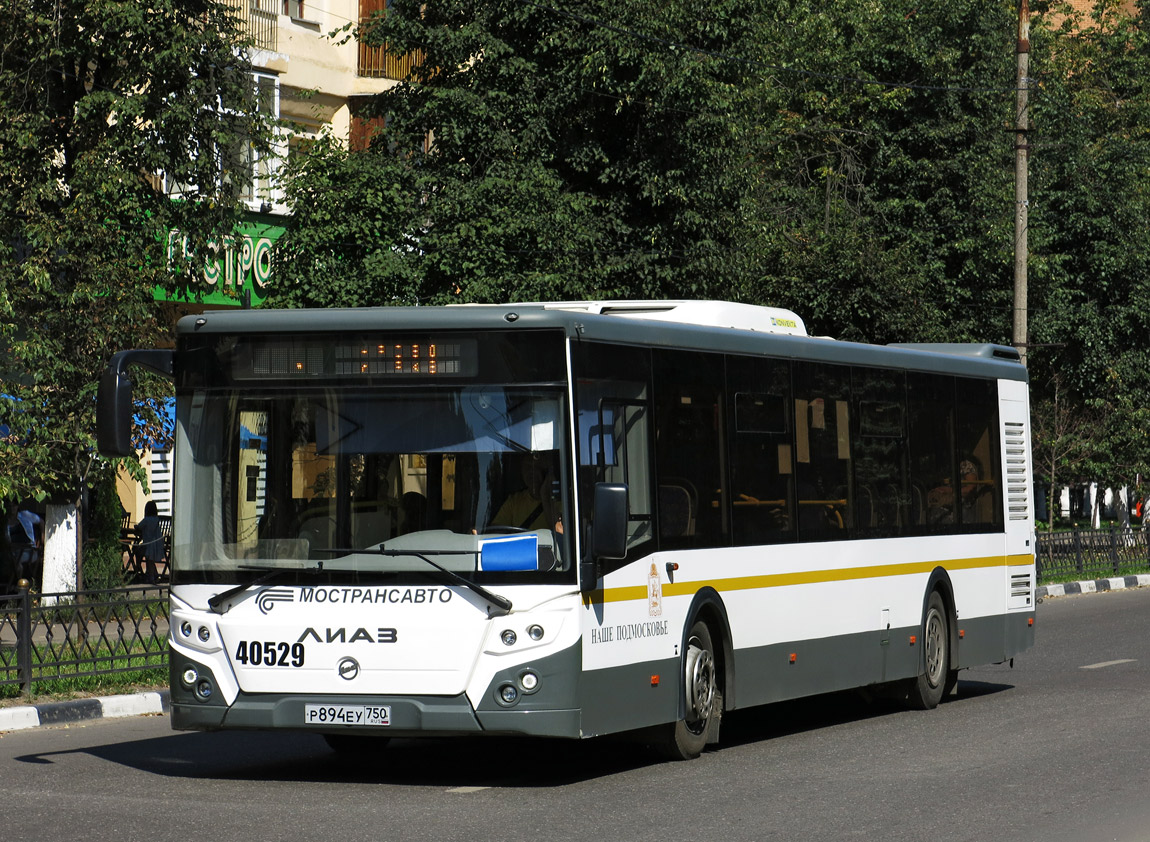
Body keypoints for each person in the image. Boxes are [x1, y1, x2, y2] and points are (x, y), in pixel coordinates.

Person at [491, 453, 563, 533]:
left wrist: (545, 496)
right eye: (527, 468)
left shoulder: (559, 501)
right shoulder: (515, 501)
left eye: (534, 468)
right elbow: (496, 531)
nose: (530, 473)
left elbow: (561, 533)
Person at [134, 501, 166, 584]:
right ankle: (154, 574)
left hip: (148, 545)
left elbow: (139, 527)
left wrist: (136, 527)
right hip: (158, 545)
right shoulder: (157, 519)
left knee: (137, 550)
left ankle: (141, 570)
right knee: (149, 559)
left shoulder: (146, 520)